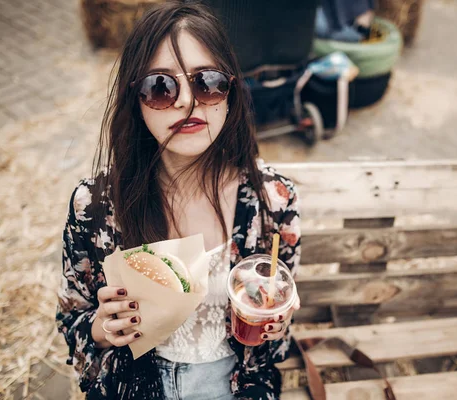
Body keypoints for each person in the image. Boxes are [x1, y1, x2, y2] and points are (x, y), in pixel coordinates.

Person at [55, 2, 301, 399]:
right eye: (161, 87)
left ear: (231, 92)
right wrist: (102, 328)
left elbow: (275, 342)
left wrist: (276, 323)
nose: (188, 101)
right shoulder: (96, 205)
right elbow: (73, 324)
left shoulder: (272, 200)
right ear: (135, 100)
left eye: (208, 82)